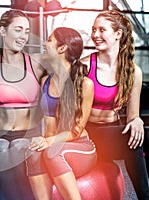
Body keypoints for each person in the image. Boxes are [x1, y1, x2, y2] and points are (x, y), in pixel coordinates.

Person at [80, 10, 149, 199]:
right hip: (88, 135)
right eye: (94, 29)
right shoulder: (85, 66)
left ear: (118, 34)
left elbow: (133, 115)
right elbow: (72, 114)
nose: (95, 35)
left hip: (114, 134)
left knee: (142, 135)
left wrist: (137, 122)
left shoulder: (133, 72)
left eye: (102, 30)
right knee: (130, 142)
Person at [25, 27, 97, 200]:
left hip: (80, 147)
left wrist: (47, 142)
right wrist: (39, 141)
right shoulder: (45, 81)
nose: (44, 43)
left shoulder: (85, 85)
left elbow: (76, 131)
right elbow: (46, 125)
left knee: (52, 152)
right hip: (52, 144)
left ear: (62, 48)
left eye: (49, 40)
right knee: (32, 153)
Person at [0, 9, 47, 200]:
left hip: (28, 134)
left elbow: (68, 65)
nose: (23, 36)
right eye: (18, 30)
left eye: (27, 31)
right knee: (2, 152)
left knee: (19, 155)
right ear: (3, 31)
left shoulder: (36, 63)